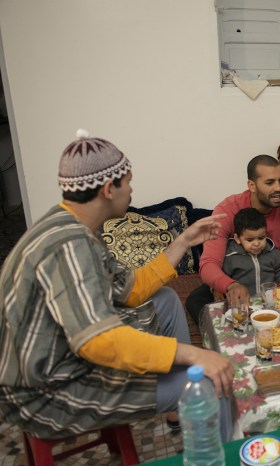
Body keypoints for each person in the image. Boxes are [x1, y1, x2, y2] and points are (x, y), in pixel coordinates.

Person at [0, 130, 235, 441]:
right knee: (210, 384)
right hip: (45, 392)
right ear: (110, 189)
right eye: (129, 182)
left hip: (63, 357)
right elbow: (97, 342)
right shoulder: (70, 244)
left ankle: (177, 403)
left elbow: (130, 290)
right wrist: (192, 355)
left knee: (162, 299)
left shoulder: (74, 225)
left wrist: (183, 241)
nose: (132, 190)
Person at [185, 155, 280, 322]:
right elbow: (208, 264)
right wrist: (228, 285)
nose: (279, 188)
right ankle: (225, 341)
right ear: (252, 185)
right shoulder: (227, 210)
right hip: (236, 276)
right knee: (196, 301)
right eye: (270, 183)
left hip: (274, 275)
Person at [222, 207, 280, 297]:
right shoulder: (231, 257)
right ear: (237, 239)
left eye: (261, 238)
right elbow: (223, 279)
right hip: (243, 303)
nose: (257, 244)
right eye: (250, 240)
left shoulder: (273, 252)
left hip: (270, 301)